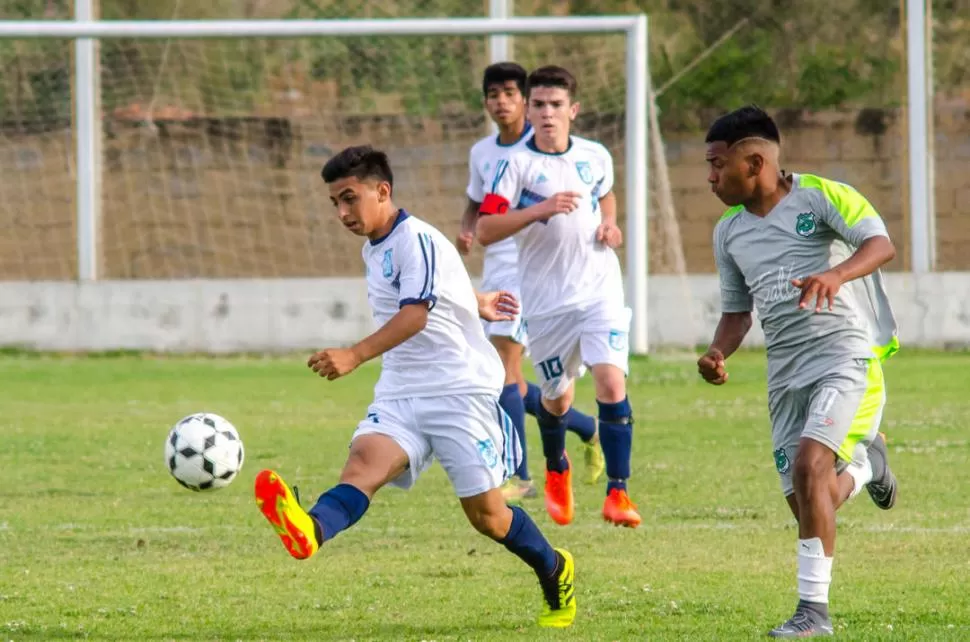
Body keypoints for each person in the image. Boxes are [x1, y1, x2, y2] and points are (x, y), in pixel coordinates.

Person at [253, 145, 576, 628]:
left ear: (382, 191)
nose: (342, 212)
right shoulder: (376, 246)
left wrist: (354, 354)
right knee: (363, 465)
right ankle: (311, 528)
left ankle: (554, 567)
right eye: (335, 203)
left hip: (458, 392)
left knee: (489, 518)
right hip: (402, 390)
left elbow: (416, 314)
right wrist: (476, 299)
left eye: (349, 198)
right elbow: (437, 281)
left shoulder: (414, 237)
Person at [698, 105, 900, 638]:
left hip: (845, 356)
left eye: (718, 165)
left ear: (756, 161)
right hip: (784, 373)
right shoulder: (729, 233)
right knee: (808, 499)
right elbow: (737, 312)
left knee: (811, 468)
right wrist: (719, 352)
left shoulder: (821, 196)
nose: (711, 177)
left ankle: (813, 613)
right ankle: (867, 468)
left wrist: (835, 275)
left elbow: (881, 244)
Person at [476, 66, 641, 528]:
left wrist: (610, 224)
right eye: (539, 105)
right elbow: (487, 229)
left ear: (574, 110)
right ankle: (556, 468)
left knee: (611, 383)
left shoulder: (595, 155)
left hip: (599, 290)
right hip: (546, 303)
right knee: (556, 401)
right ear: (529, 110)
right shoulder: (514, 165)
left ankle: (618, 494)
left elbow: (605, 196)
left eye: (556, 105)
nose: (547, 113)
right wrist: (540, 209)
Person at [457, 62, 603, 501]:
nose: (501, 102)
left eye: (510, 93)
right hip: (495, 266)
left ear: (526, 99)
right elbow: (475, 202)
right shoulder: (483, 152)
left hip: (530, 270)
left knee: (501, 368)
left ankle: (518, 476)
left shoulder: (541, 146)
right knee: (509, 378)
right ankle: (585, 427)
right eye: (492, 94)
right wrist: (467, 229)